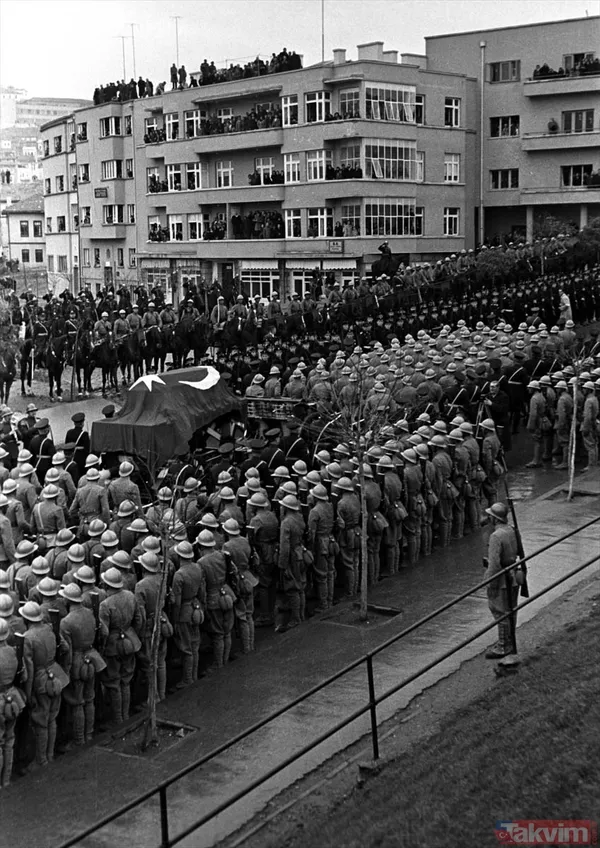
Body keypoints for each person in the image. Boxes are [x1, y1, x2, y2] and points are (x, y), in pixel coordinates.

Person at [20, 600, 69, 769]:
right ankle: (49, 755)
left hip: (40, 680)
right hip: (56, 674)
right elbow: (64, 647)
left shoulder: (28, 638)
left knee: (41, 720)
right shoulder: (50, 628)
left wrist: (28, 693)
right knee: (52, 718)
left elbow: (29, 669)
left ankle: (41, 760)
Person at [98, 567, 142, 725]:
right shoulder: (130, 595)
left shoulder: (105, 604)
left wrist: (103, 648)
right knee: (126, 680)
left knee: (114, 682)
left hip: (113, 646)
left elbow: (104, 632)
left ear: (107, 585)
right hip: (130, 641)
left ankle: (118, 719)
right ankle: (125, 715)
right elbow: (139, 619)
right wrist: (132, 635)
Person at [482, 503, 519, 661]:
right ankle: (510, 641)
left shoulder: (496, 536)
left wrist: (491, 583)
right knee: (511, 610)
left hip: (502, 578)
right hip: (513, 574)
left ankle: (504, 645)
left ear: (495, 518)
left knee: (499, 611)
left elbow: (495, 564)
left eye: (490, 515)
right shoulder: (511, 529)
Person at [0, 618, 26, 787]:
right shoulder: (13, 651)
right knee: (9, 740)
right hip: (13, 696)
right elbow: (23, 674)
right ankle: (6, 780)